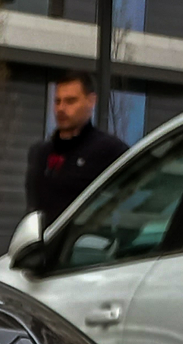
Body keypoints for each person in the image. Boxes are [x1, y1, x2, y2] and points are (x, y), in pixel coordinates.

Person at [26, 71, 127, 227]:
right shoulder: (40, 153)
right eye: (57, 101)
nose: (61, 108)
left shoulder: (108, 150)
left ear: (91, 101)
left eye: (70, 101)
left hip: (86, 245)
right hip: (43, 244)